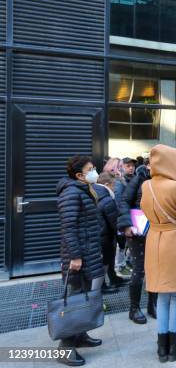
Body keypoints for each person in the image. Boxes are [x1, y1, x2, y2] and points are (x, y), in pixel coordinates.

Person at [139, 145, 176, 362]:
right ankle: (175, 346)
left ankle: (161, 348)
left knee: (161, 295)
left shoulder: (146, 185)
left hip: (154, 239)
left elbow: (145, 209)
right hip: (175, 240)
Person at [56, 156, 104, 366]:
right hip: (78, 256)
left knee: (83, 296)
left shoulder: (83, 190)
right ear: (79, 175)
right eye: (90, 169)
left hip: (88, 251)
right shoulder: (72, 193)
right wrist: (75, 257)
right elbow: (69, 227)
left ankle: (80, 335)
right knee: (74, 299)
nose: (94, 172)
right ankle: (65, 348)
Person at [117, 160, 157, 324]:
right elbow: (124, 201)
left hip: (156, 229)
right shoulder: (139, 178)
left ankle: (152, 304)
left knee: (155, 269)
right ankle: (134, 308)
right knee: (139, 269)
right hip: (138, 229)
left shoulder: (166, 180)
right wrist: (127, 225)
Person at [93, 172, 120, 294]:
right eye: (113, 185)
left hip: (96, 235)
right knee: (105, 262)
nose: (114, 188)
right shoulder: (108, 199)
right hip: (105, 237)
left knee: (100, 262)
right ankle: (101, 288)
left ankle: (103, 285)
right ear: (107, 184)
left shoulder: (92, 194)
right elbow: (114, 222)